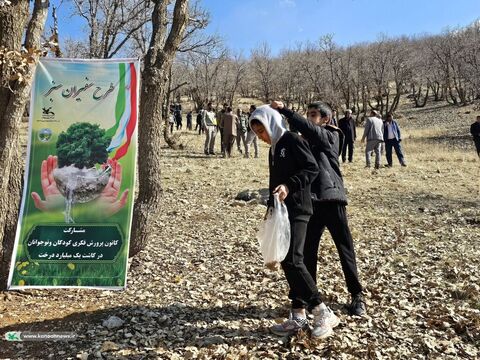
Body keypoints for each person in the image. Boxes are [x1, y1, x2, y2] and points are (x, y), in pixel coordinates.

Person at [272, 100, 366, 337]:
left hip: (331, 198)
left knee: (345, 249)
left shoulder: (332, 134)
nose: (311, 118)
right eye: (309, 114)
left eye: (314, 114)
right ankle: (304, 305)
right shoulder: (302, 139)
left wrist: (285, 111)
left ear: (326, 118)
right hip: (310, 203)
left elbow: (312, 131)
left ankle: (357, 296)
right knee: (305, 255)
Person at [249, 105, 320, 338]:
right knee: (287, 260)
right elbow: (275, 184)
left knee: (293, 260)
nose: (261, 137)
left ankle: (321, 309)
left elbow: (312, 169)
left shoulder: (291, 140)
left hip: (299, 208)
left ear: (271, 123)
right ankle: (298, 315)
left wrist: (290, 186)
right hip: (282, 211)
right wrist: (270, 211)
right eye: (257, 133)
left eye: (262, 131)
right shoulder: (275, 148)